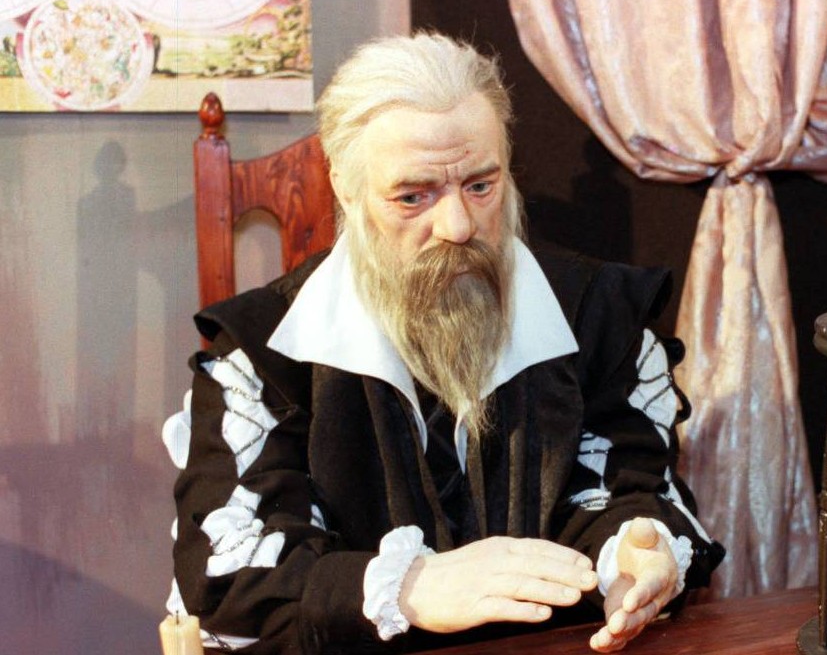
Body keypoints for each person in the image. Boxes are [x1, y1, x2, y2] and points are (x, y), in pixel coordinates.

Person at [162, 32, 724, 654]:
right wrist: (409, 587)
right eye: (413, 196)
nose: (457, 227)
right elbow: (230, 571)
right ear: (345, 189)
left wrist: (636, 554)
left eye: (481, 187)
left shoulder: (599, 317)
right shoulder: (262, 357)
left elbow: (626, 489)